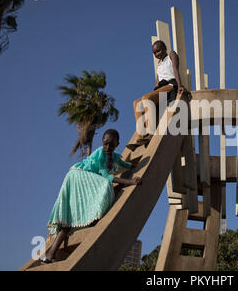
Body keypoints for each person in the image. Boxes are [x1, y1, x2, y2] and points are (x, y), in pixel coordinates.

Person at [41, 129, 141, 263]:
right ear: (102, 142)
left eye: (111, 145)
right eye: (105, 144)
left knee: (69, 222)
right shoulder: (100, 154)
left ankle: (50, 254)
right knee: (105, 185)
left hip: (85, 178)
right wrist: (131, 182)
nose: (107, 147)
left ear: (117, 144)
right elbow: (107, 176)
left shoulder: (114, 156)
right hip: (77, 176)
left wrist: (135, 165)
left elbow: (125, 164)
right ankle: (50, 254)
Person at [130, 40, 185, 148]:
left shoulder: (171, 55)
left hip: (170, 86)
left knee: (146, 98)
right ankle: (141, 135)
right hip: (161, 88)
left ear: (165, 47)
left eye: (159, 50)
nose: (157, 54)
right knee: (136, 103)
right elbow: (156, 84)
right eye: (155, 53)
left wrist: (180, 86)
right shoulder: (159, 65)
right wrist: (153, 97)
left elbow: (175, 70)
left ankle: (151, 132)